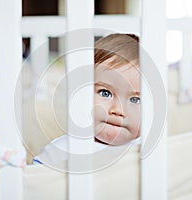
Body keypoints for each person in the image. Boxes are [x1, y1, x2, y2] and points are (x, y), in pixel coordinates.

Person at [33, 33, 141, 165]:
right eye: (105, 93)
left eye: (135, 100)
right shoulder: (61, 151)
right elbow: (35, 182)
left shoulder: (152, 152)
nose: (117, 110)